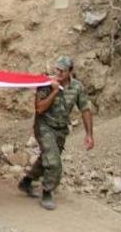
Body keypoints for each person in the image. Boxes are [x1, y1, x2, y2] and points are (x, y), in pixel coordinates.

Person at [19, 56, 95, 210]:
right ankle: (47, 192)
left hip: (61, 129)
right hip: (44, 126)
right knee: (54, 162)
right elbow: (39, 108)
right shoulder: (46, 84)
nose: (59, 73)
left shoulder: (77, 87)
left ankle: (26, 182)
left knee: (46, 158)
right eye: (57, 69)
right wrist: (54, 91)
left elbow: (85, 109)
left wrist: (89, 134)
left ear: (70, 71)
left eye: (62, 70)